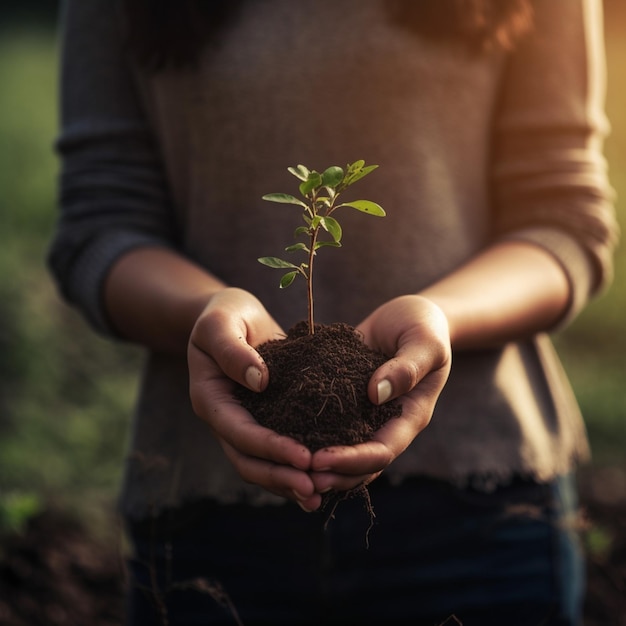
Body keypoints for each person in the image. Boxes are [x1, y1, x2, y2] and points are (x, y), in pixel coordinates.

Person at [49, 0, 619, 624]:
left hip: (481, 511)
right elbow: (102, 226)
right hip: (209, 522)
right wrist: (205, 312)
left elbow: (564, 222)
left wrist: (440, 318)